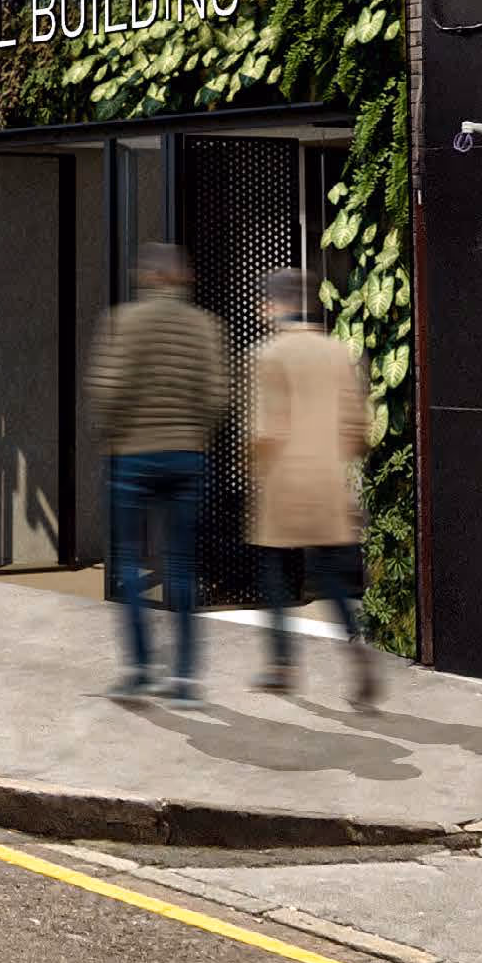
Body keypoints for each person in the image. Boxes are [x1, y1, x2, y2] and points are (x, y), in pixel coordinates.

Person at [84, 241, 230, 702]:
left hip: (133, 455)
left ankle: (141, 668)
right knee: (183, 565)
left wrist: (112, 434)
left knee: (128, 562)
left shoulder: (122, 322)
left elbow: (107, 389)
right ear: (182, 278)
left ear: (149, 278)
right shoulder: (207, 327)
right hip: (187, 457)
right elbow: (218, 396)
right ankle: (185, 676)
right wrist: (195, 434)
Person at [247, 266, 376, 705]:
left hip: (285, 481)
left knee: (275, 575)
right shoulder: (337, 352)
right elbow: (358, 426)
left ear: (276, 304)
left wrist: (255, 476)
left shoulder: (271, 354)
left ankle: (281, 666)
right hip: (327, 480)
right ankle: (356, 651)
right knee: (330, 577)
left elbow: (265, 430)